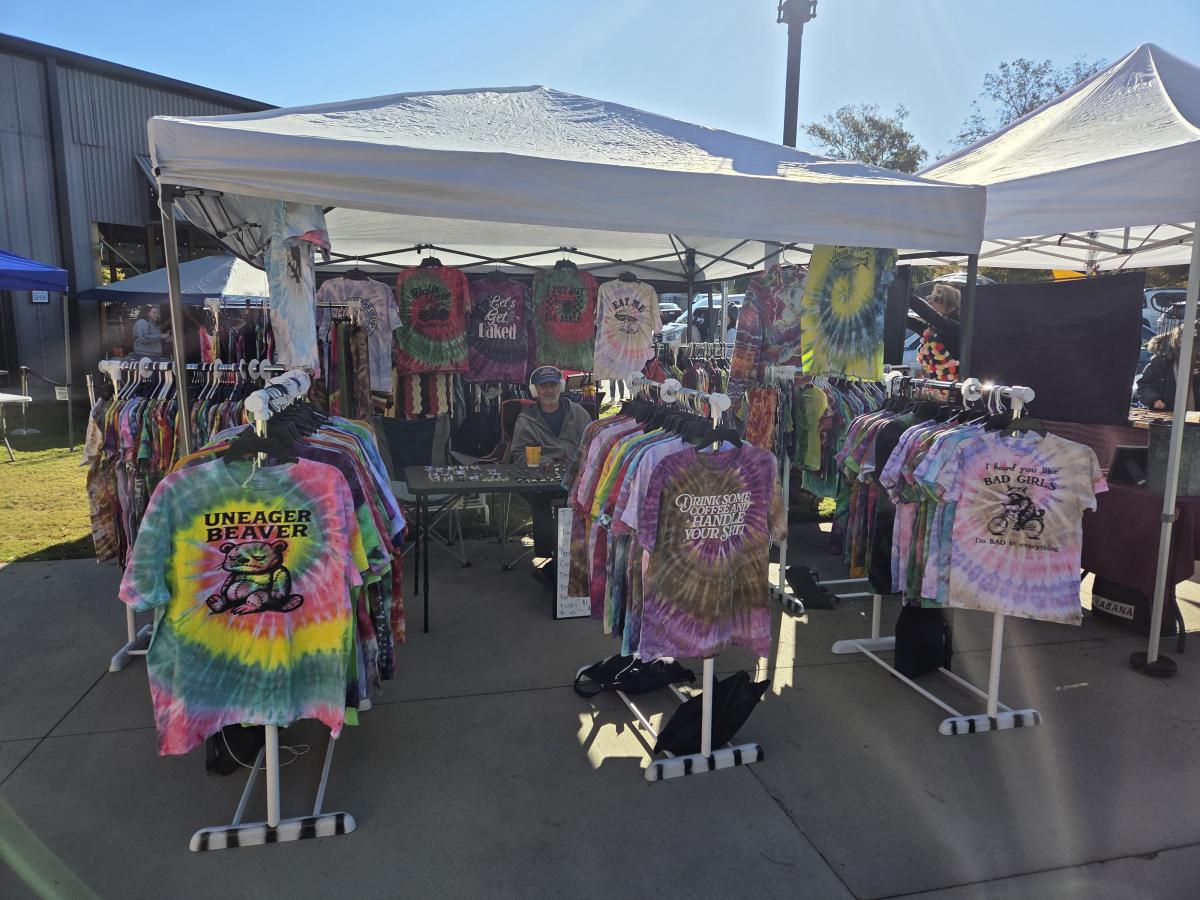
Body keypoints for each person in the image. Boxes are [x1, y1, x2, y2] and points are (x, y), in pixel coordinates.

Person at [508, 365, 592, 587]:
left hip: (574, 477)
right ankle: (548, 561)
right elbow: (518, 454)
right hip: (539, 478)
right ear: (535, 390)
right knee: (541, 506)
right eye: (543, 386)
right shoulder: (526, 419)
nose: (548, 390)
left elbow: (593, 446)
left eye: (553, 385)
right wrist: (545, 461)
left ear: (560, 386)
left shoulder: (579, 413)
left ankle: (574, 563)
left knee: (577, 506)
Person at [1136, 324, 1200, 411]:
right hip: (1169, 413)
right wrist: (1154, 400)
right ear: (1178, 341)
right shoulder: (1162, 361)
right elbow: (1144, 386)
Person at [907, 283, 961, 380]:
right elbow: (910, 322)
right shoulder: (933, 328)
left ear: (950, 304)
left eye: (936, 299)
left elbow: (928, 314)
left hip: (955, 386)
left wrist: (905, 294)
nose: (930, 302)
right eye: (930, 297)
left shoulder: (954, 326)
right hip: (936, 385)